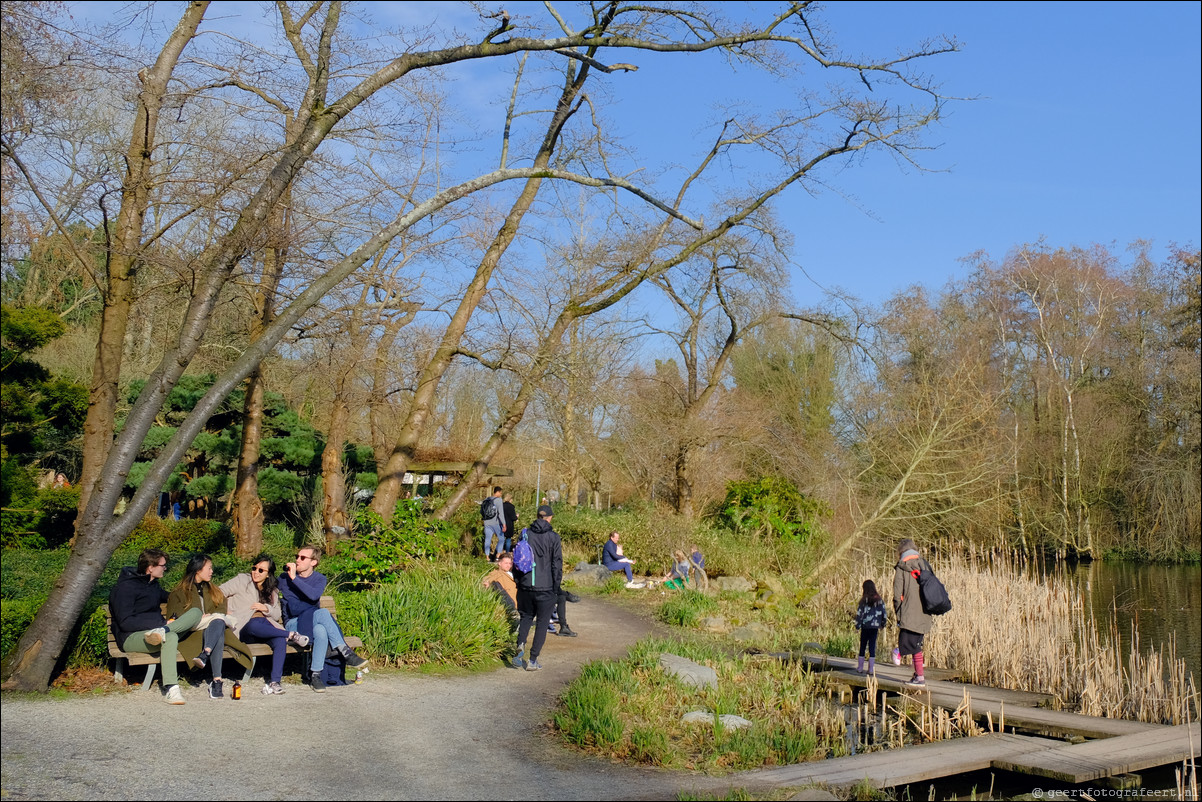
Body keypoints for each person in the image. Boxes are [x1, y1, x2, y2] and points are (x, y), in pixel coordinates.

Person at [109, 549, 200, 704]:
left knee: (196, 612)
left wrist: (195, 592)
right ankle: (172, 689)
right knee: (170, 636)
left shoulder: (153, 585)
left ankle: (163, 630)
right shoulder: (125, 588)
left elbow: (171, 596)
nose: (165, 568)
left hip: (158, 631)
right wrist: (158, 624)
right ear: (150, 567)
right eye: (163, 565)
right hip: (131, 637)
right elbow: (125, 622)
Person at [278, 545, 369, 692]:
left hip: (312, 622)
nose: (297, 560)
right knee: (322, 613)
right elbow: (266, 587)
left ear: (313, 562)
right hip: (293, 625)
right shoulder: (284, 578)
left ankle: (315, 675)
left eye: (302, 557)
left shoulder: (319, 579)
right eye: (296, 556)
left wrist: (295, 578)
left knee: (321, 629)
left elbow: (313, 595)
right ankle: (345, 651)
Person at [165, 554, 254, 700]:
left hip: (211, 630)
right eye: (209, 568)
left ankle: (212, 670)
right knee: (218, 623)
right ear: (198, 570)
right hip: (191, 632)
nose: (212, 571)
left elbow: (221, 607)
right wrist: (199, 616)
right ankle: (216, 678)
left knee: (218, 624)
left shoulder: (213, 589)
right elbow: (174, 616)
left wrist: (211, 615)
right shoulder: (179, 592)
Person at [220, 554, 310, 695]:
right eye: (254, 568)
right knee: (255, 623)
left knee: (280, 640)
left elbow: (276, 615)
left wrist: (265, 608)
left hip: (267, 628)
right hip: (244, 628)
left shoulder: (272, 591)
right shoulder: (242, 580)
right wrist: (224, 610)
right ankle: (291, 634)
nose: (256, 572)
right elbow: (218, 592)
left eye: (261, 570)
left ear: (268, 574)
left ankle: (275, 682)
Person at [512, 505, 563, 671]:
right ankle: (533, 660)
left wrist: (519, 582)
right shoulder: (554, 537)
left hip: (526, 585)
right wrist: (556, 587)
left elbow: (517, 559)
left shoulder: (525, 534)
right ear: (549, 518)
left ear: (537, 516)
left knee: (526, 617)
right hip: (546, 587)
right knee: (542, 623)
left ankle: (520, 645)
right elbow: (557, 564)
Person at [893, 538, 934, 687]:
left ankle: (920, 679)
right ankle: (917, 675)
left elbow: (898, 594)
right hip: (925, 611)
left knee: (912, 645)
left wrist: (899, 613)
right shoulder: (925, 564)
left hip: (909, 612)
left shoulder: (902, 567)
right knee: (916, 644)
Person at [853, 579, 886, 675]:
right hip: (875, 627)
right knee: (872, 646)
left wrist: (857, 626)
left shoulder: (863, 601)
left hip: (865, 626)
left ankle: (860, 667)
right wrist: (883, 624)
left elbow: (860, 614)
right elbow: (884, 613)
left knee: (862, 646)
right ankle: (871, 669)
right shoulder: (879, 600)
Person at [482, 551, 518, 616]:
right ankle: (510, 608)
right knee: (494, 584)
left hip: (519, 601)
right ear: (499, 563)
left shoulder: (514, 573)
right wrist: (487, 583)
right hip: (510, 601)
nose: (508, 565)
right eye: (506, 563)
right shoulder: (496, 573)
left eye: (510, 563)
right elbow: (487, 579)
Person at [481, 486, 506, 562]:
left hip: (486, 523)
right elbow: (500, 514)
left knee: (487, 539)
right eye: (500, 493)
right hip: (495, 523)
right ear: (497, 492)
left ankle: (487, 557)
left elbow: (482, 511)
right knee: (501, 538)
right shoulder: (499, 500)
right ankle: (498, 555)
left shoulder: (486, 499)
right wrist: (504, 524)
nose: (501, 494)